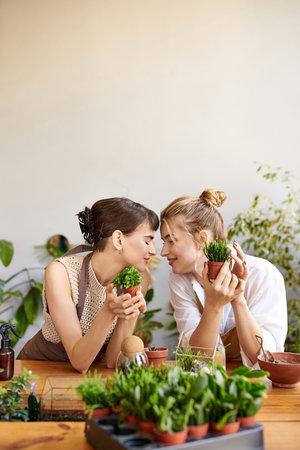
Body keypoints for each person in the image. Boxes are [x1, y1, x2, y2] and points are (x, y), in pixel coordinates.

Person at [17, 197, 158, 371]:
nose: (153, 250)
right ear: (119, 240)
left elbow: (114, 361)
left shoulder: (138, 277)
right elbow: (80, 361)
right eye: (147, 241)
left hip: (92, 372)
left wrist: (129, 313)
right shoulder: (61, 272)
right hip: (39, 368)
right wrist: (108, 310)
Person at [160, 189, 287, 367]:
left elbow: (267, 359)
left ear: (202, 239)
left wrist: (237, 298)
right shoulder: (179, 279)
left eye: (171, 241)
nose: (163, 252)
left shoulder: (262, 274)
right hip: (208, 382)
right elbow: (196, 357)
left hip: (256, 384)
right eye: (162, 242)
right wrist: (213, 305)